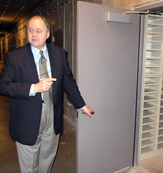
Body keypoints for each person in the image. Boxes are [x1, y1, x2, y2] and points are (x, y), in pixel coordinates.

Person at [0, 15, 94, 173]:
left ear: (48, 34)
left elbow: (68, 81)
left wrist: (82, 105)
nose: (33, 34)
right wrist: (34, 88)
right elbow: (3, 86)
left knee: (47, 156)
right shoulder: (14, 57)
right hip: (26, 117)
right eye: (30, 30)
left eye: (38, 30)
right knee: (29, 162)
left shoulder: (59, 53)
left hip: (53, 113)